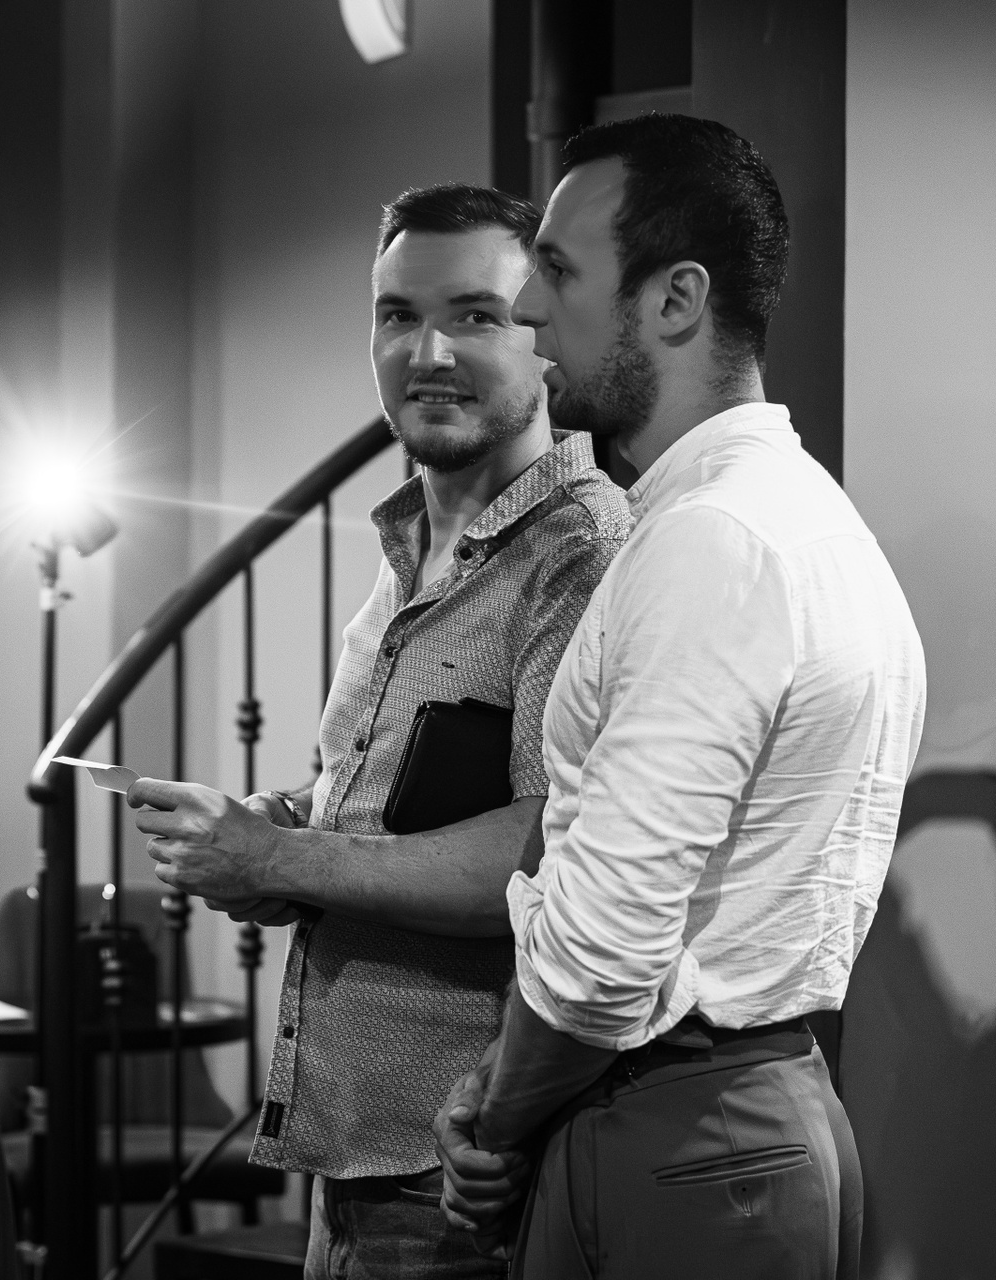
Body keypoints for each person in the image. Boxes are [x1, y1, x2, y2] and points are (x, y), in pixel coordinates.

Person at [432, 114, 926, 1280]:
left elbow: (607, 943)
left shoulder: (715, 541)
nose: (528, 309)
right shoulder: (790, 515)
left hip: (680, 1129)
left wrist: (497, 1122)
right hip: (718, 1114)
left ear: (675, 298)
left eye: (559, 271)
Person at [129, 182, 630, 1280]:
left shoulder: (583, 553)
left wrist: (279, 858)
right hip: (346, 1152)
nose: (428, 352)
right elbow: (368, 794)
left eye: (475, 315)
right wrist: (274, 822)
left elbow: (547, 851)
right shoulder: (408, 544)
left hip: (467, 1162)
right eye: (399, 315)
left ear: (542, 332)